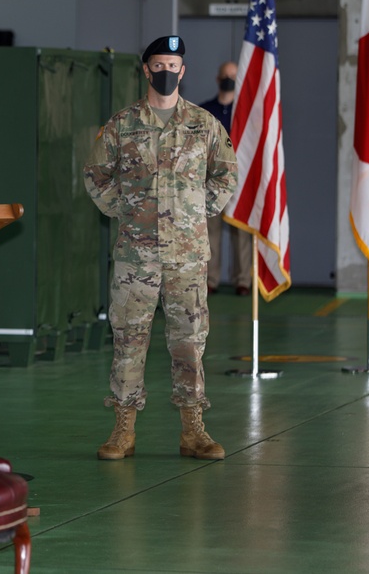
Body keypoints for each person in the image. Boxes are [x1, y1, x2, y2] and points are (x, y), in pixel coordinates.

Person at [83, 35, 237, 461]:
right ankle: (123, 430)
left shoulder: (204, 125)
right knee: (129, 340)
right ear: (146, 70)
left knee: (189, 341)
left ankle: (193, 431)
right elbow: (95, 175)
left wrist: (194, 210)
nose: (166, 72)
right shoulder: (122, 124)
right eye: (159, 65)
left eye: (174, 65)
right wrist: (126, 209)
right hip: (137, 257)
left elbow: (226, 175)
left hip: (187, 257)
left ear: (183, 71)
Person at [200, 61, 253, 296]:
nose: (228, 79)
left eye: (233, 75)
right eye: (225, 75)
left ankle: (243, 280)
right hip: (211, 178)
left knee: (241, 230)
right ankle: (211, 279)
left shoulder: (246, 111)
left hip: (240, 178)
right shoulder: (205, 111)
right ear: (217, 78)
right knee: (211, 230)